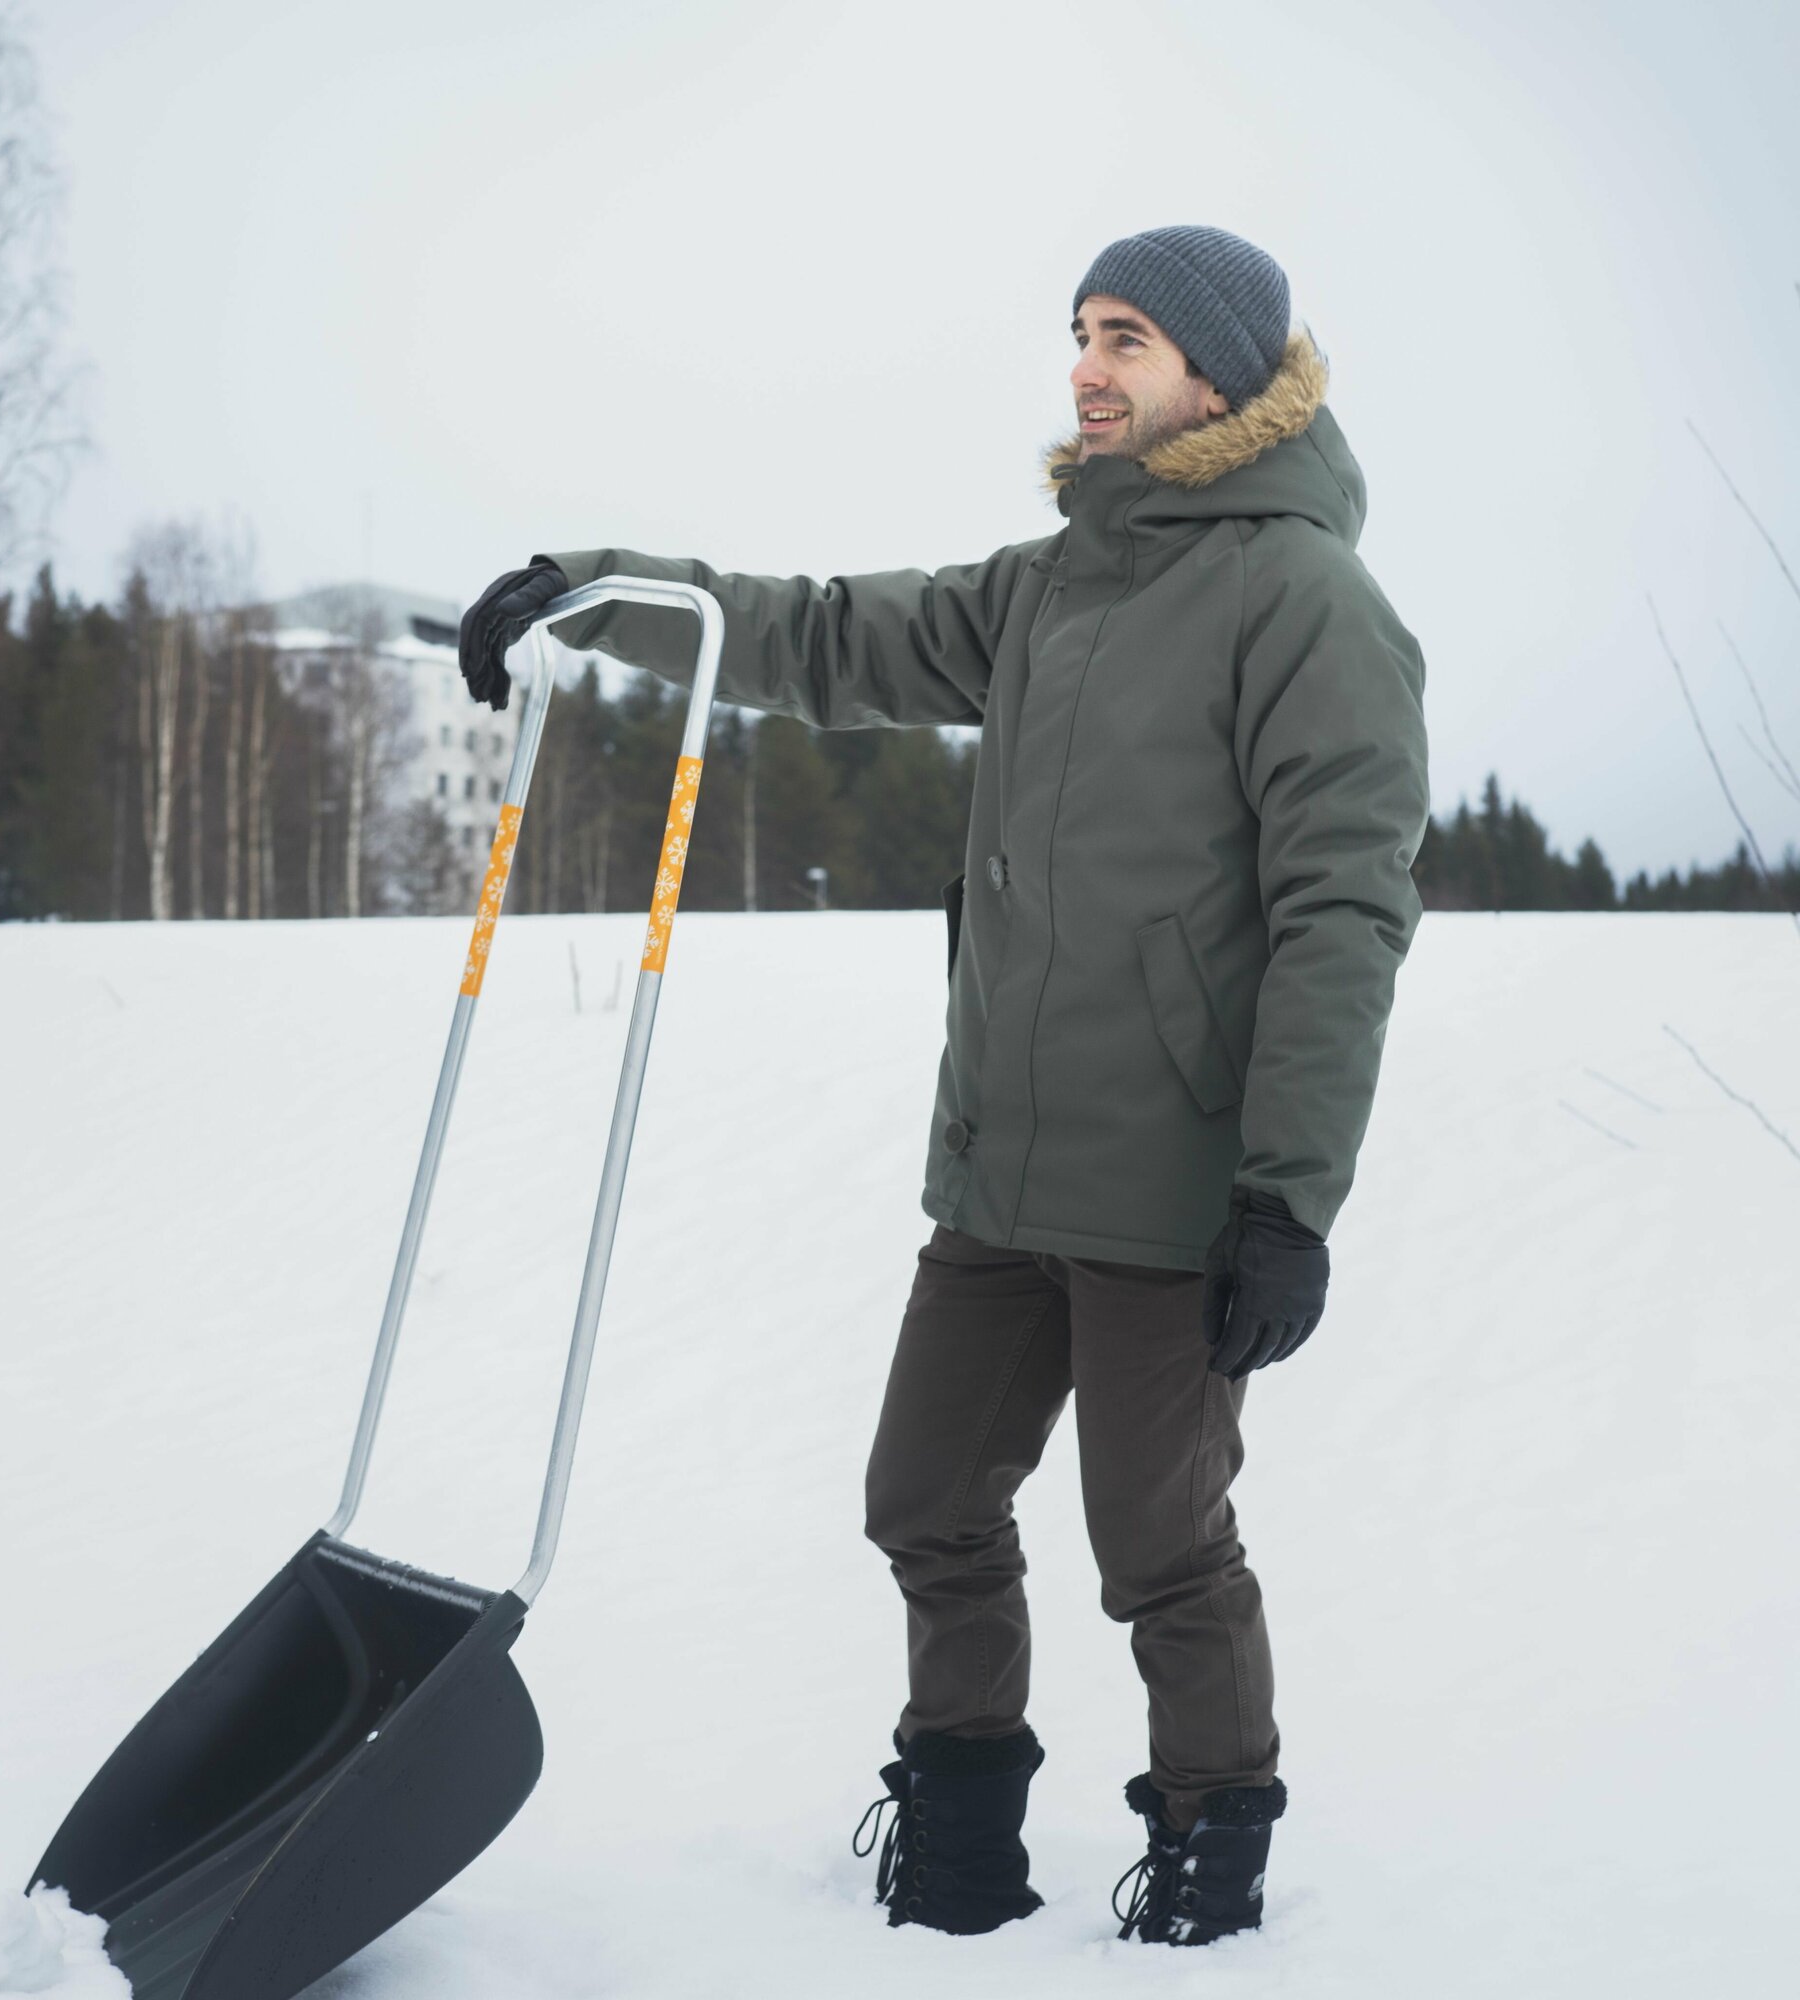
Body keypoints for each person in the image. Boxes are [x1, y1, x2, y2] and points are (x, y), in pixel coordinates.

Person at [456, 225, 1429, 1947]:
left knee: (1162, 1553)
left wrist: (1287, 1197)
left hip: (1171, 1193)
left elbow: (1341, 911)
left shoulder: (1306, 602)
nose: (1086, 366)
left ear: (1221, 371)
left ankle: (1212, 1854)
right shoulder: (1054, 583)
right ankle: (965, 1826)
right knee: (923, 1499)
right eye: (1078, 333)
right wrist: (598, 590)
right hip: (999, 1175)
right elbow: (826, 641)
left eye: (1125, 337)